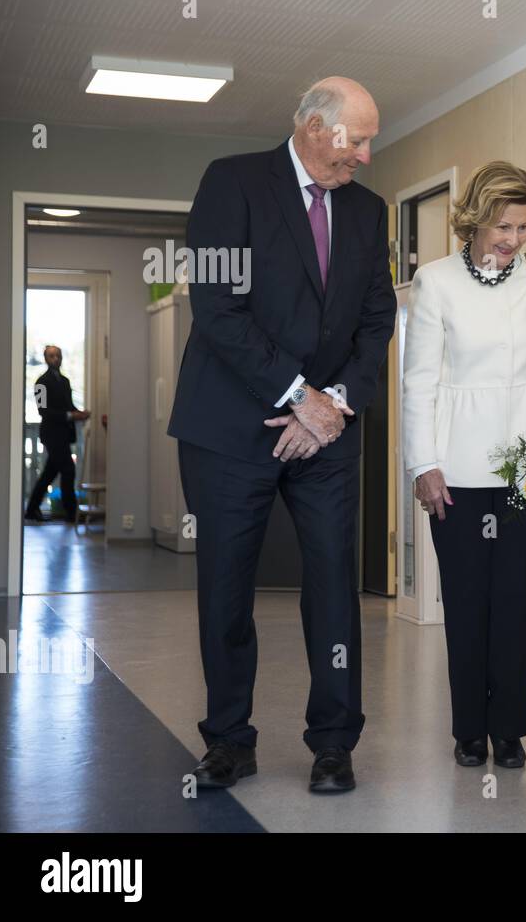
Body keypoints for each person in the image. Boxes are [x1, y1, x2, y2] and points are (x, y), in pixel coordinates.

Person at [168, 77, 396, 793]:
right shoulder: (230, 183)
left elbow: (375, 322)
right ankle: (229, 740)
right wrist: (302, 398)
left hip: (327, 437)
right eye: (353, 139)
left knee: (333, 586)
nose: (363, 155)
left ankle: (333, 743)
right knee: (227, 591)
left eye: (368, 141)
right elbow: (217, 310)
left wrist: (335, 408)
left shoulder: (367, 211)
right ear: (309, 126)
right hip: (231, 429)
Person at [402, 161, 526, 769]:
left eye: (524, 228)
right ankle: (468, 731)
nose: (512, 240)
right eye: (503, 227)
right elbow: (419, 379)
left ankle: (509, 730)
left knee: (518, 598)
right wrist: (422, 463)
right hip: (455, 465)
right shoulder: (437, 281)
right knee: (467, 600)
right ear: (476, 220)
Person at [24, 345, 89, 523]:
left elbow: (69, 405)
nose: (55, 359)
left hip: (64, 435)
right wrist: (70, 415)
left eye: (58, 355)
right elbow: (43, 411)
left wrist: (79, 413)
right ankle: (72, 512)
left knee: (49, 473)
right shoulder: (40, 383)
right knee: (68, 470)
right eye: (52, 356)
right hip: (52, 435)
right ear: (45, 359)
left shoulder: (65, 381)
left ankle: (31, 510)